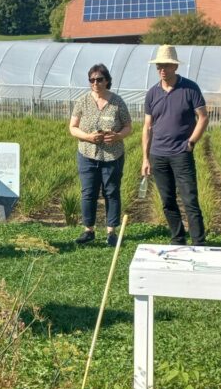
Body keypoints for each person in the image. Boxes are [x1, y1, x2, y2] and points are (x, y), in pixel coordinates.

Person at [141, 44, 209, 246]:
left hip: (181, 153)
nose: (162, 69)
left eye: (166, 66)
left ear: (175, 67)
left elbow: (203, 117)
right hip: (158, 155)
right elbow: (147, 126)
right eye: (159, 66)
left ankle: (199, 241)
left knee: (189, 199)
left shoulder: (189, 88)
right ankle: (177, 238)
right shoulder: (152, 93)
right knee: (167, 200)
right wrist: (145, 158)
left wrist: (191, 142)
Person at [69, 64, 133, 247]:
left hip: (113, 155)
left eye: (99, 79)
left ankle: (111, 232)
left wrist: (118, 135)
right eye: (92, 80)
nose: (95, 83)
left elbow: (128, 126)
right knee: (88, 192)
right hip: (87, 154)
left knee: (111, 192)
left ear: (107, 81)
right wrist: (88, 137)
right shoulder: (82, 101)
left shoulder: (117, 102)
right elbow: (72, 127)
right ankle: (89, 230)